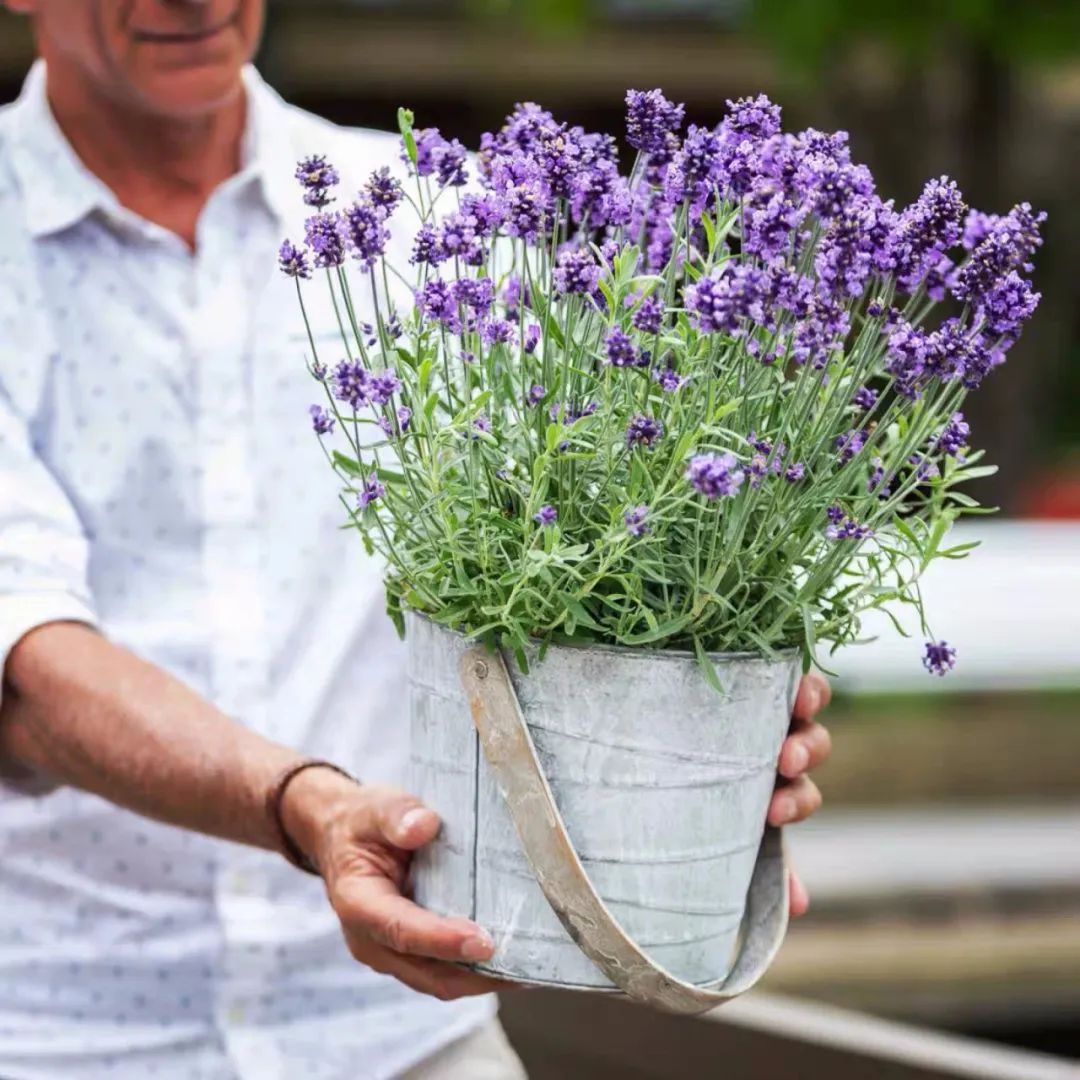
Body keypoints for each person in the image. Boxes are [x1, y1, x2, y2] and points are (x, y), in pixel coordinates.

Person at [0, 2, 834, 1077]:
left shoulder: (431, 219)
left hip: (407, 1031)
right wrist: (308, 809)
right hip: (70, 1032)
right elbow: (26, 670)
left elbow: (598, 549)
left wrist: (713, 736)